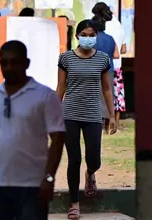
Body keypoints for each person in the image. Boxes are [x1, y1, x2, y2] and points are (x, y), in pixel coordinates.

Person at [0, 40, 65, 220]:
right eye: (4, 63)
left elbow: (58, 139)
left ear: (26, 63)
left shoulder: (44, 96)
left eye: (15, 62)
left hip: (33, 188)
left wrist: (49, 178)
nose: (9, 67)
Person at [56, 19, 116, 219]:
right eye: (85, 35)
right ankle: (74, 203)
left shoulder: (103, 59)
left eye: (92, 35)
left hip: (93, 114)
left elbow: (107, 89)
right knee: (74, 159)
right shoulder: (65, 58)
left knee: (94, 159)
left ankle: (90, 173)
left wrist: (112, 116)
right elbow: (61, 87)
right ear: (77, 36)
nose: (89, 38)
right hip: (69, 114)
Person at [91, 2, 120, 134]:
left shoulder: (92, 39)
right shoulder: (111, 39)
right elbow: (116, 54)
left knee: (96, 99)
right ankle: (109, 124)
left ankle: (99, 126)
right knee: (108, 97)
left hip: (94, 70)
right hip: (109, 70)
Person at [105, 18, 127, 131]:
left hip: (104, 67)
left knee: (104, 94)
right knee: (118, 96)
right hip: (117, 67)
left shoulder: (102, 29)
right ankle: (117, 124)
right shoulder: (120, 28)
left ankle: (105, 124)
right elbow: (123, 50)